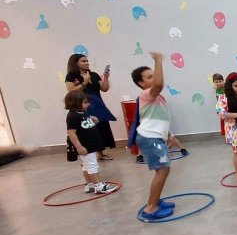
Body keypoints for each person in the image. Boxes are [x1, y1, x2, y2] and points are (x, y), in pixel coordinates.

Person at [130, 52, 178, 220]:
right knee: (163, 170)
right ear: (141, 83)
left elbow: (158, 118)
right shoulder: (146, 94)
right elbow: (158, 83)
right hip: (150, 138)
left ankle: (156, 200)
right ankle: (151, 208)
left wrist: (169, 135)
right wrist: (158, 61)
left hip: (155, 137)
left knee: (163, 169)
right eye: (149, 77)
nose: (154, 78)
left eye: (153, 75)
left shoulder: (155, 97)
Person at [64, 90, 119, 194]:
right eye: (85, 103)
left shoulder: (82, 112)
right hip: (85, 146)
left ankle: (89, 185)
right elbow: (71, 133)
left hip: (91, 144)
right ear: (74, 102)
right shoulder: (72, 116)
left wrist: (91, 118)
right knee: (92, 166)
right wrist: (79, 147)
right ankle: (99, 186)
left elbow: (84, 122)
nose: (88, 104)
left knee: (86, 166)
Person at [65, 54, 116, 160]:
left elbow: (104, 88)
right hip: (83, 107)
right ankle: (88, 155)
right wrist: (85, 82)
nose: (87, 63)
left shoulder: (94, 74)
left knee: (101, 128)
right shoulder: (71, 76)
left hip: (97, 105)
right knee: (88, 130)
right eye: (83, 61)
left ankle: (100, 154)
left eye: (87, 61)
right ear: (75, 63)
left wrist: (106, 78)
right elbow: (71, 91)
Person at [217, 72, 237, 181]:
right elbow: (221, 113)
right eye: (236, 86)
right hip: (234, 130)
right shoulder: (223, 98)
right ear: (229, 85)